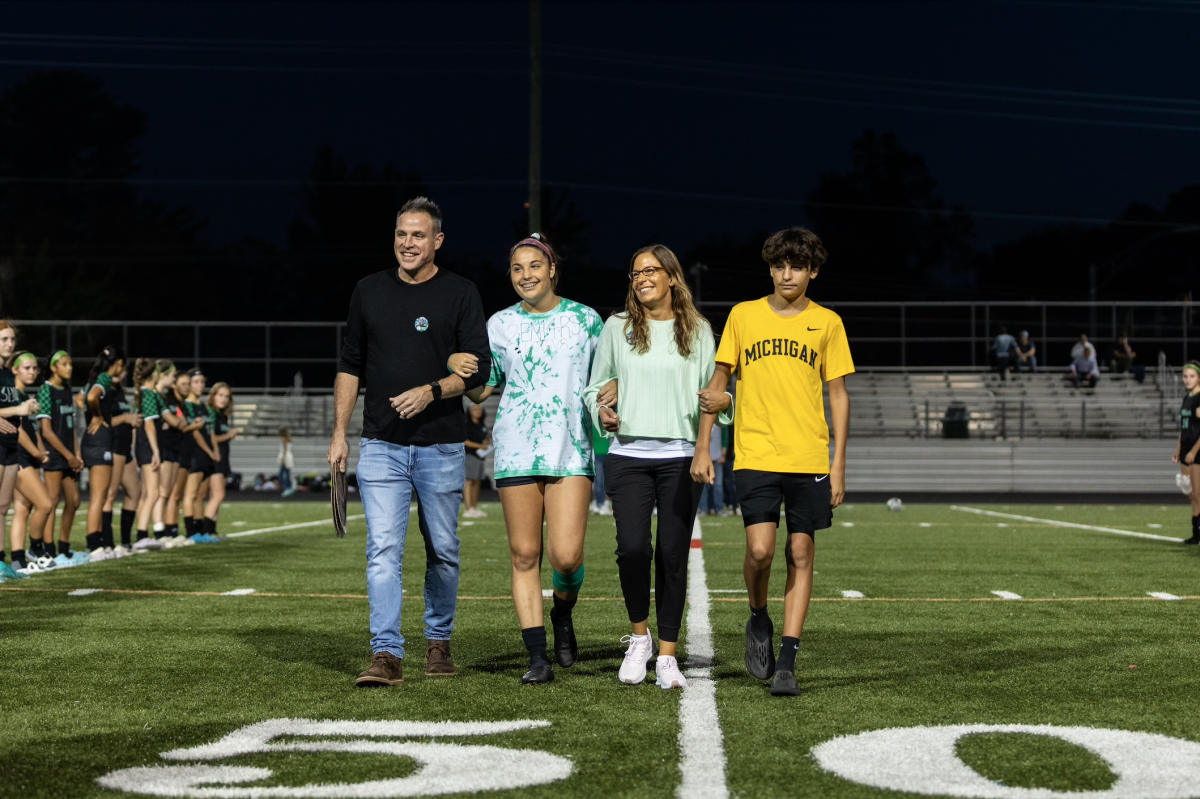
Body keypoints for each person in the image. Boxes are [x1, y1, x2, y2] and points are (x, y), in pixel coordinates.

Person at [329, 196, 491, 688]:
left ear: (437, 241)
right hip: (380, 445)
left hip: (442, 445)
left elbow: (479, 374)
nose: (408, 243)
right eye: (401, 234)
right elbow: (349, 365)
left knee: (442, 548)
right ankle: (386, 654)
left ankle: (438, 642)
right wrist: (340, 433)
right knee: (382, 549)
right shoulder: (367, 291)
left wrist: (434, 390)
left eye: (418, 235)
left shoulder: (461, 292)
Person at [695, 227, 854, 698]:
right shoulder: (744, 316)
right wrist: (704, 445)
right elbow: (717, 384)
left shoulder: (828, 323)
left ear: (813, 272)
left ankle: (787, 658)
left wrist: (839, 464)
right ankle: (759, 615)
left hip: (808, 457)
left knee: (800, 552)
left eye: (798, 267)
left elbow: (839, 397)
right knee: (761, 551)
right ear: (769, 268)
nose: (788, 274)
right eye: (780, 265)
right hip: (756, 453)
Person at [449, 233, 602, 685]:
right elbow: (483, 388)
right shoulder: (498, 324)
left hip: (571, 447)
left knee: (567, 557)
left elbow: (604, 380)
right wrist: (459, 363)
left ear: (552, 269)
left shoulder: (586, 320)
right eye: (517, 268)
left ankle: (562, 613)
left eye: (534, 266)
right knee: (523, 554)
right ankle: (537, 656)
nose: (526, 275)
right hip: (516, 447)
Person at [584, 244, 733, 690]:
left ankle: (667, 655)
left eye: (651, 270)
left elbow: (714, 396)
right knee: (632, 548)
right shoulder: (617, 327)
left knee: (671, 553)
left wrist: (710, 437)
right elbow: (594, 387)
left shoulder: (701, 330)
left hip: (681, 457)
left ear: (671, 276)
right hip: (628, 455)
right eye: (635, 272)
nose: (642, 278)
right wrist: (601, 412)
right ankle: (639, 638)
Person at [7, 352, 58, 574]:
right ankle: (35, 549)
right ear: (14, 370)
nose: (33, 372)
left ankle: (18, 559)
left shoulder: (22, 394)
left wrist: (39, 451)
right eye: (27, 368)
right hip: (18, 456)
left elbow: (28, 428)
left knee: (22, 508)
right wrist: (37, 453)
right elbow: (18, 432)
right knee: (45, 504)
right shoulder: (12, 395)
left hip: (26, 456)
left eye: (35, 368)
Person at [0, 321, 42, 581]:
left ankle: (2, 563)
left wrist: (26, 407)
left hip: (10, 444)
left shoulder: (6, 374)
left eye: (12, 339)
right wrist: (18, 410)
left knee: (3, 506)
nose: (9, 344)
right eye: (4, 339)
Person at [38, 351, 86, 566]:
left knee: (74, 502)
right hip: (55, 456)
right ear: (54, 368)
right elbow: (47, 431)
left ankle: (64, 548)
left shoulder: (67, 389)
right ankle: (49, 550)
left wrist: (76, 454)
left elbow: (72, 427)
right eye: (64, 364)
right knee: (52, 502)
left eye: (71, 363)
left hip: (68, 456)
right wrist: (68, 456)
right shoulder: (46, 390)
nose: (70, 367)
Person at [81, 345, 130, 561]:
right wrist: (97, 415)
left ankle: (100, 543)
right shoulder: (105, 378)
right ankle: (94, 546)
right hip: (99, 444)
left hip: (97, 443)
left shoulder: (97, 377)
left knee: (100, 497)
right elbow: (91, 398)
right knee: (99, 497)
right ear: (118, 363)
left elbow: (81, 397)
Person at [104, 366, 143, 555]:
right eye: (119, 368)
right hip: (114, 445)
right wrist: (126, 418)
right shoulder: (103, 391)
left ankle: (125, 543)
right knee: (109, 494)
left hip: (125, 448)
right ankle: (107, 544)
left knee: (135, 492)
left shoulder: (119, 392)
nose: (123, 372)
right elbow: (104, 421)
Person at [130, 358, 166, 550]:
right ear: (154, 374)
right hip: (148, 446)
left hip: (143, 447)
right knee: (153, 492)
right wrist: (156, 451)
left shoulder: (142, 394)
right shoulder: (149, 395)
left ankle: (141, 534)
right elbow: (149, 425)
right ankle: (142, 534)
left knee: (147, 493)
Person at [183, 369, 220, 542]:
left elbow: (209, 431)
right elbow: (196, 433)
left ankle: (200, 532)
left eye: (202, 382)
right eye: (196, 382)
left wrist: (215, 451)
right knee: (190, 494)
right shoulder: (187, 405)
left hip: (207, 456)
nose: (200, 385)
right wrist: (209, 451)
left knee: (201, 496)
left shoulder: (204, 406)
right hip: (195, 454)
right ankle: (191, 532)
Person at [203, 382, 240, 535]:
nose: (224, 399)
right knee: (218, 495)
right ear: (213, 395)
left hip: (224, 457)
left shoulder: (222, 415)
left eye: (227, 396)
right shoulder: (210, 412)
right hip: (215, 458)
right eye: (220, 395)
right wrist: (228, 435)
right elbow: (209, 437)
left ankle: (212, 530)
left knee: (216, 496)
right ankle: (205, 530)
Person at [462, 403, 490, 519]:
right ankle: (468, 508)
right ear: (470, 412)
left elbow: (484, 439)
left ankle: (474, 507)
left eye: (479, 409)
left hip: (480, 457)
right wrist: (480, 446)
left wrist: (486, 442)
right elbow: (465, 441)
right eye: (475, 409)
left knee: (477, 482)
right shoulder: (468, 425)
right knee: (469, 481)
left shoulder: (482, 425)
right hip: (470, 456)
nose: (478, 411)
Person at [699, 421, 726, 516]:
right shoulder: (700, 420)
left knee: (718, 485)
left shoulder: (720, 420)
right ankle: (703, 509)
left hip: (717, 456)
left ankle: (719, 508)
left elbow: (725, 436)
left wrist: (723, 454)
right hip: (704, 457)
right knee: (703, 485)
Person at [590, 423, 611, 515]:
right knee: (598, 481)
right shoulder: (593, 425)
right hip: (597, 456)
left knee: (609, 482)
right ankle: (598, 503)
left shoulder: (610, 424)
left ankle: (606, 504)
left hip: (609, 456)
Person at [278, 427, 295, 497]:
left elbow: (285, 449)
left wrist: (284, 459)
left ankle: (288, 488)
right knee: (286, 474)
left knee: (283, 475)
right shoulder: (288, 439)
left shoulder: (284, 440)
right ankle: (288, 488)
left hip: (286, 457)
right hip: (288, 457)